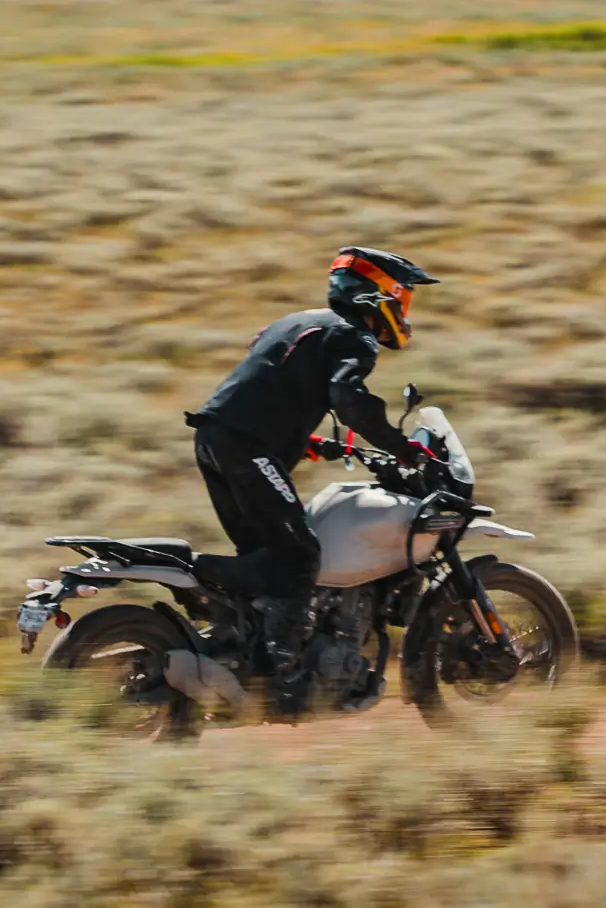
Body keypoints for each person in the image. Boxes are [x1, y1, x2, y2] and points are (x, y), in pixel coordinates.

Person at [183, 246, 439, 717]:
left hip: (215, 440)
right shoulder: (354, 339)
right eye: (402, 300)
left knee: (268, 562)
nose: (404, 312)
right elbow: (349, 399)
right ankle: (284, 682)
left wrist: (313, 442)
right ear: (380, 295)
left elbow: (269, 388)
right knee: (301, 557)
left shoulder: (296, 322)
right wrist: (402, 448)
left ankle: (240, 655)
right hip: (246, 446)